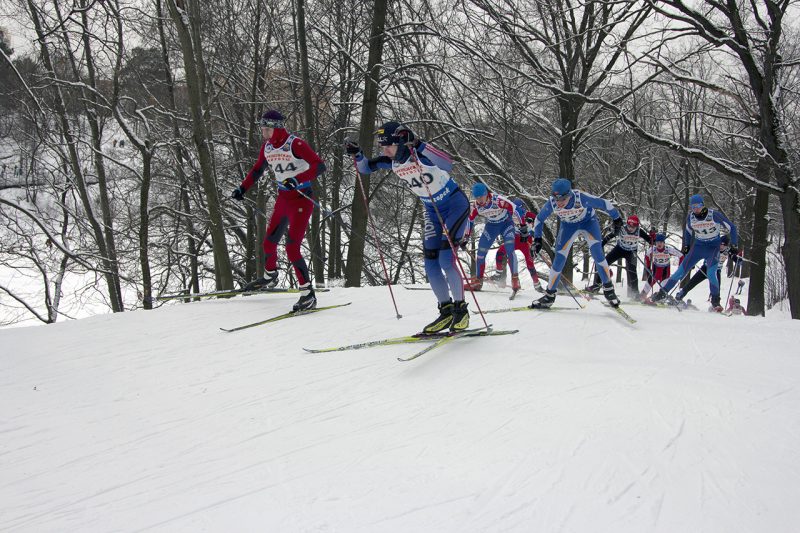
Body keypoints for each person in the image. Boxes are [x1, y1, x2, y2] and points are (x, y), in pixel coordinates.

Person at [346, 122, 471, 333]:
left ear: (400, 143)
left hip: (454, 205)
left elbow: (448, 164)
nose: (385, 151)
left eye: (388, 146)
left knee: (445, 259)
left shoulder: (419, 155)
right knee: (430, 263)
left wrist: (419, 143)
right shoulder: (392, 161)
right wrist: (357, 154)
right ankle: (446, 310)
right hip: (432, 210)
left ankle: (462, 311)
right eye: (382, 146)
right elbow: (366, 167)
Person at [231, 110, 325, 311]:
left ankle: (308, 295)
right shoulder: (267, 147)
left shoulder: (295, 144)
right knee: (268, 242)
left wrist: (297, 179)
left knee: (292, 248)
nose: (263, 133)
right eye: (262, 129)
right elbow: (257, 169)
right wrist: (242, 188)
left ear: (277, 128)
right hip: (283, 198)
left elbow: (319, 166)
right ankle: (270, 276)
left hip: (302, 199)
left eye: (266, 129)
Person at [530, 178, 624, 308]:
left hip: (588, 223)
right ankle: (549, 295)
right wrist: (538, 239)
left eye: (562, 199)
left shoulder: (581, 198)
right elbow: (539, 219)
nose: (559, 203)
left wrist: (617, 218)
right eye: (557, 199)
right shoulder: (552, 203)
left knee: (597, 253)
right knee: (558, 260)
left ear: (569, 194)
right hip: (568, 227)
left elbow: (605, 204)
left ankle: (609, 290)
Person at [651, 194, 738, 312]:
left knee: (711, 273)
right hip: (698, 246)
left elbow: (732, 227)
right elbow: (687, 231)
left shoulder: (714, 215)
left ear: (703, 205)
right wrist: (686, 245)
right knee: (681, 271)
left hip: (712, 248)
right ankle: (662, 293)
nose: (695, 209)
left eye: (697, 206)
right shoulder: (691, 217)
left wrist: (734, 245)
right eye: (693, 207)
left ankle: (715, 301)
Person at [462, 183, 524, 292]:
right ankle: (478, 281)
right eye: (476, 197)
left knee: (510, 249)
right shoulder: (476, 206)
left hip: (506, 224)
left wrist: (523, 226)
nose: (479, 200)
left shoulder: (498, 200)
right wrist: (466, 236)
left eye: (481, 196)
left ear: (486, 194)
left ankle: (515, 279)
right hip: (491, 227)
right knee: (481, 252)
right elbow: (470, 220)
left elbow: (516, 209)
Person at [587, 214, 652, 298]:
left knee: (632, 271)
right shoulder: (621, 229)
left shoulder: (640, 231)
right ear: (627, 224)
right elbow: (610, 236)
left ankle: (635, 293)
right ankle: (596, 286)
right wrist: (601, 244)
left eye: (633, 227)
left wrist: (653, 237)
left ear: (637, 226)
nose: (631, 228)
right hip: (619, 249)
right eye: (629, 226)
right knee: (604, 264)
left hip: (631, 252)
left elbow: (650, 240)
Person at [492, 198, 542, 290]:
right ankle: (501, 275)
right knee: (500, 252)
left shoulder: (528, 215)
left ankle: (537, 283)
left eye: (519, 209)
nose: (516, 213)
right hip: (514, 240)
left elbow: (539, 222)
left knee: (529, 262)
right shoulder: (509, 214)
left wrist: (532, 226)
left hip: (526, 241)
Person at [672, 234, 735, 303]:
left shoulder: (728, 251)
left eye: (724, 245)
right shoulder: (713, 248)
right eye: (721, 244)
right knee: (692, 283)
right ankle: (680, 296)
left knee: (717, 288)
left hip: (716, 271)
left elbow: (733, 256)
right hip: (705, 269)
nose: (722, 247)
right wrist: (692, 263)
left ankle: (716, 303)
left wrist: (737, 259)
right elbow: (701, 254)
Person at [639, 233, 683, 299]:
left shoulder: (668, 250)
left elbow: (681, 256)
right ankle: (641, 297)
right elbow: (647, 257)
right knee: (648, 285)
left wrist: (680, 268)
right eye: (657, 242)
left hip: (665, 273)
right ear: (655, 243)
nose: (659, 244)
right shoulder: (652, 249)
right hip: (655, 271)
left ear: (664, 243)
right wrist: (648, 268)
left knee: (663, 288)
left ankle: (658, 298)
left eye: (661, 242)